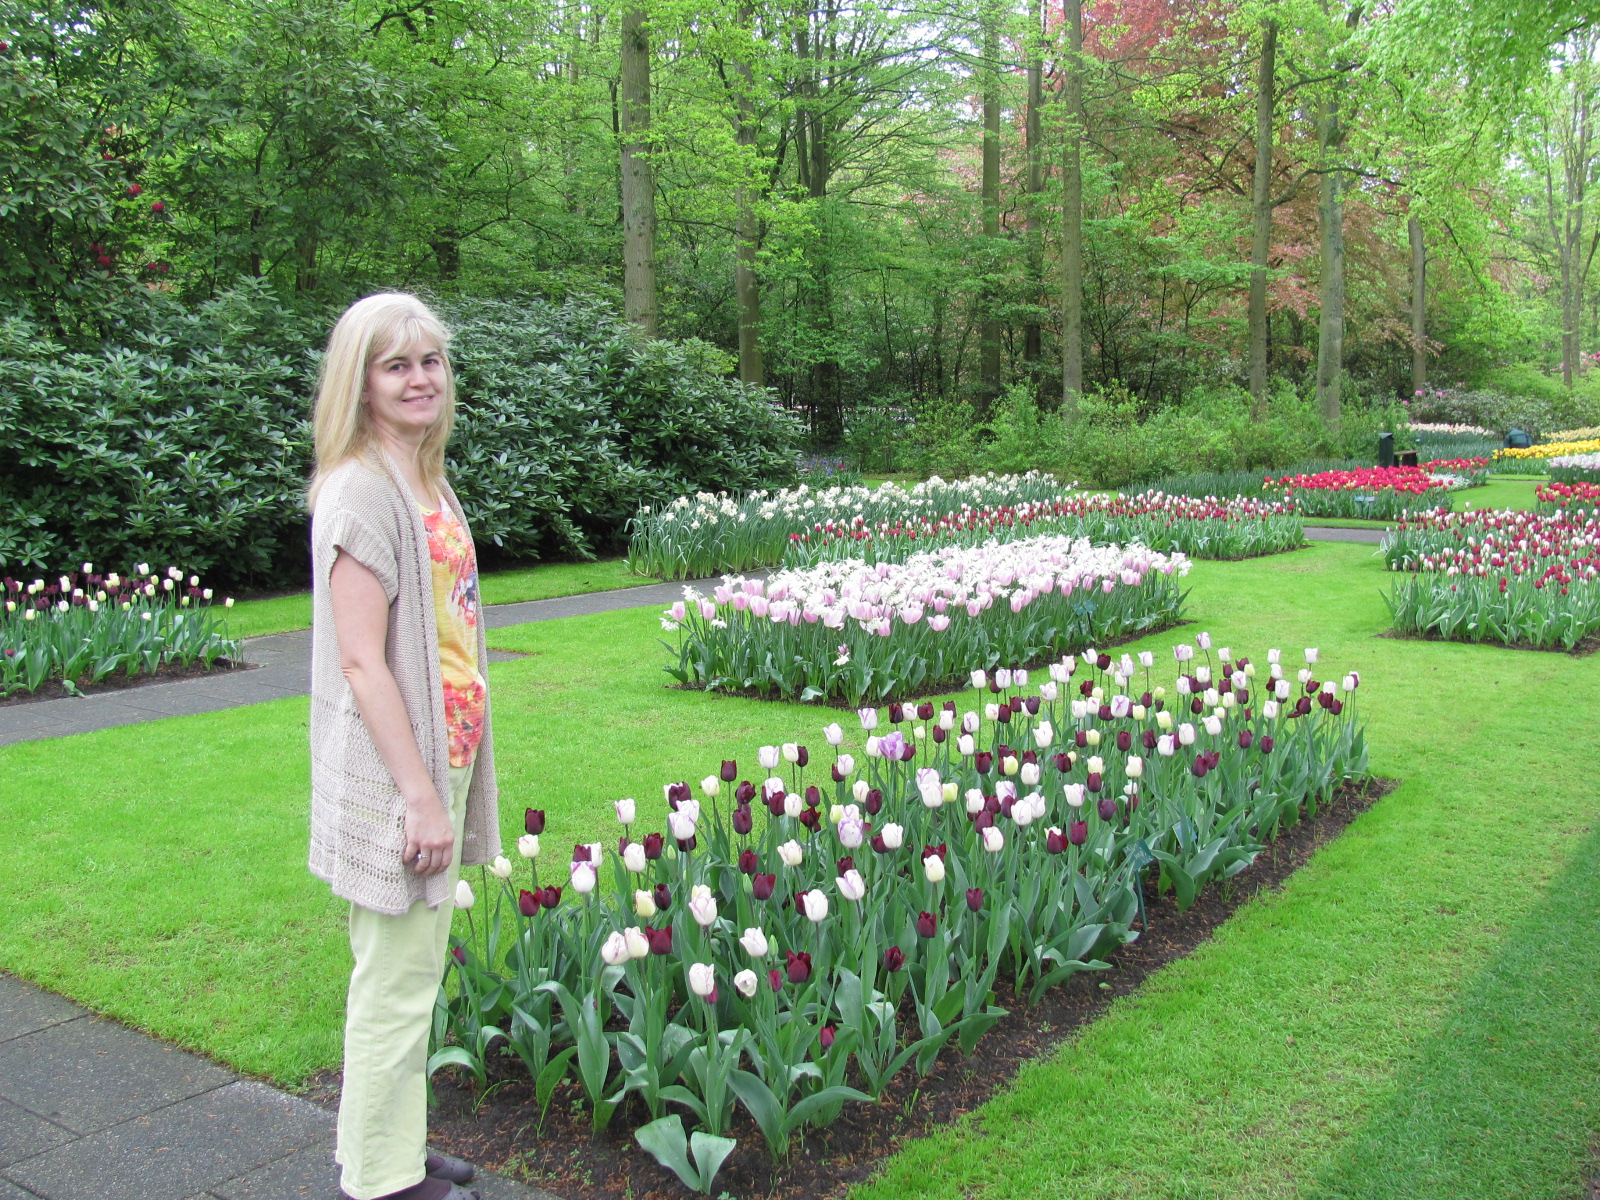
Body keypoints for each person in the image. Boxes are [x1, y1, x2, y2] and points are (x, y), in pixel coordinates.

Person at [306, 293, 500, 1200]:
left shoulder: (422, 474)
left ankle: (385, 1144)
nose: (420, 379)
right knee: (394, 982)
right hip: (402, 772)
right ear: (362, 381)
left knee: (408, 973)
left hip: (443, 753)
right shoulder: (361, 492)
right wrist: (420, 797)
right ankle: (378, 1183)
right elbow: (361, 661)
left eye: (431, 360)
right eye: (397, 365)